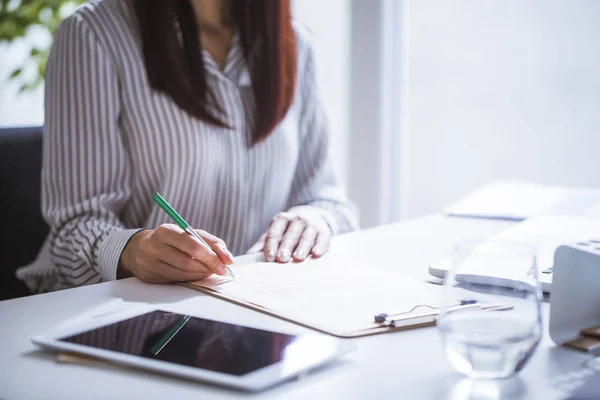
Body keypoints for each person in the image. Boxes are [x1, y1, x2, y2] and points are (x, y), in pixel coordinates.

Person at [17, 0, 358, 293]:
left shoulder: (293, 44)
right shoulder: (92, 35)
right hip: (117, 315)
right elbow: (72, 230)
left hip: (250, 310)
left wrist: (312, 220)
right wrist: (132, 251)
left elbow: (331, 203)